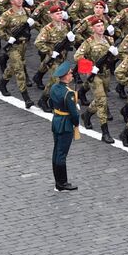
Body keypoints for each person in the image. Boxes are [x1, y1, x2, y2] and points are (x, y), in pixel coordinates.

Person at [48, 59, 80, 192]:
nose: (72, 75)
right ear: (66, 75)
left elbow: (50, 103)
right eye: (71, 73)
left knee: (56, 152)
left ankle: (58, 181)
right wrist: (76, 122)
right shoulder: (69, 93)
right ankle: (62, 183)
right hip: (66, 124)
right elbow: (74, 114)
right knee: (62, 154)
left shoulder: (54, 87)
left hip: (56, 121)